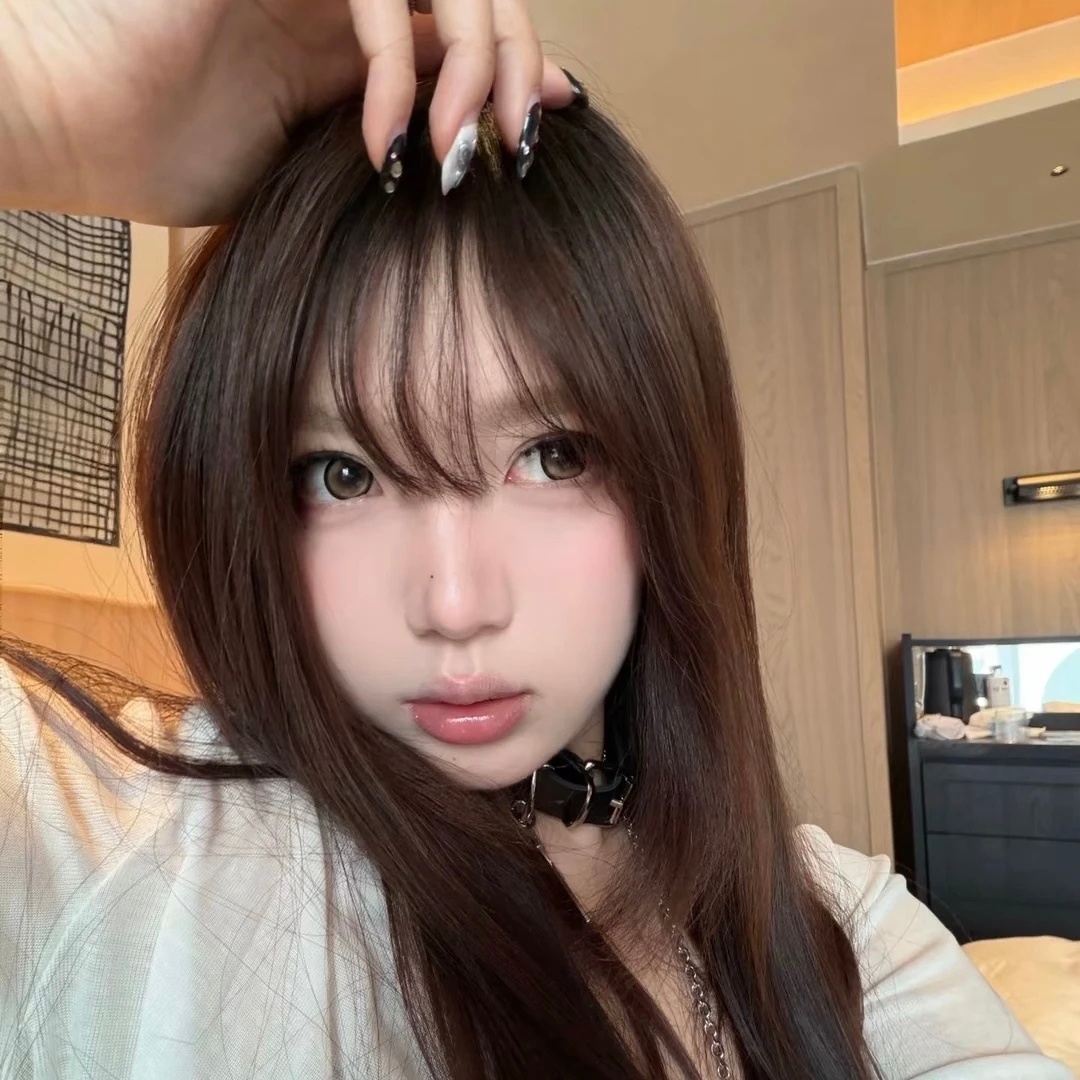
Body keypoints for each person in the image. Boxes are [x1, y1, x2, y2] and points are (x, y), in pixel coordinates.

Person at [0, 3, 1073, 1079]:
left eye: (553, 456)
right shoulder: (132, 852)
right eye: (343, 473)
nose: (456, 604)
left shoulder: (839, 926)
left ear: (668, 473)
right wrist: (40, 107)